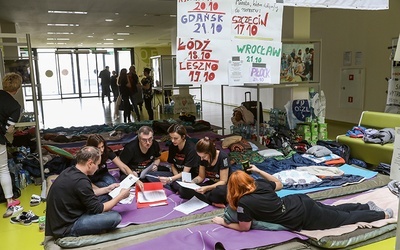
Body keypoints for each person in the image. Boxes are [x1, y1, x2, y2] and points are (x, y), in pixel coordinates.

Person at [212, 166, 393, 232]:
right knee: (334, 210)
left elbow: (245, 227)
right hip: (298, 200)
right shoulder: (259, 184)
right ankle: (365, 206)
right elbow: (278, 183)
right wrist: (258, 171)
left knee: (342, 219)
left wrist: (223, 222)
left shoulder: (244, 203)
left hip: (300, 215)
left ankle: (382, 215)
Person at [45, 146, 130, 239]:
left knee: (106, 196)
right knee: (115, 218)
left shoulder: (71, 170)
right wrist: (120, 196)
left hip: (66, 215)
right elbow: (98, 209)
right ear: (90, 163)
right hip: (67, 227)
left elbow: (86, 194)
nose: (97, 168)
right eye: (97, 164)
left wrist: (107, 189)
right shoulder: (81, 181)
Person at [178, 137, 230, 206]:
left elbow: (223, 181)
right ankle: (211, 201)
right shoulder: (202, 159)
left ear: (210, 153)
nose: (201, 159)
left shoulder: (223, 157)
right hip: (210, 184)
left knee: (220, 193)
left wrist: (207, 188)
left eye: (204, 157)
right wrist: (192, 182)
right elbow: (201, 176)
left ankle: (208, 199)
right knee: (183, 189)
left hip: (221, 186)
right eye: (200, 157)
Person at [0, 73, 23, 218]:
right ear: (18, 88)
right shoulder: (15, 106)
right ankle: (10, 200)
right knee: (3, 169)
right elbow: (9, 129)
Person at [159, 124, 200, 192]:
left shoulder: (191, 149)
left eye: (175, 138)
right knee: (151, 176)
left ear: (183, 137)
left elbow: (185, 172)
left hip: (188, 176)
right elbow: (172, 164)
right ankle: (173, 185)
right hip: (176, 174)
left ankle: (175, 186)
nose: (172, 140)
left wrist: (171, 179)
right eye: (171, 138)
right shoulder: (172, 146)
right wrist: (174, 177)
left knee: (177, 185)